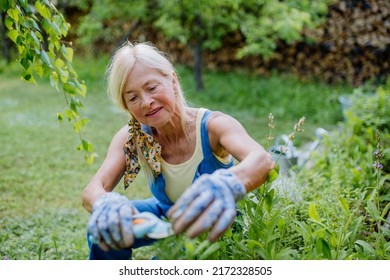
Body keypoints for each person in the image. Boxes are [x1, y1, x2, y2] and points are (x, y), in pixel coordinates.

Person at [82, 41, 275, 260]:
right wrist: (106, 203)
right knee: (104, 230)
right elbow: (92, 190)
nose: (146, 102)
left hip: (215, 224)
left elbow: (262, 159)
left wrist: (226, 183)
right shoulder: (132, 137)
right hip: (167, 214)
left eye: (152, 88)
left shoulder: (213, 126)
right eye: (133, 97)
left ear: (172, 81)